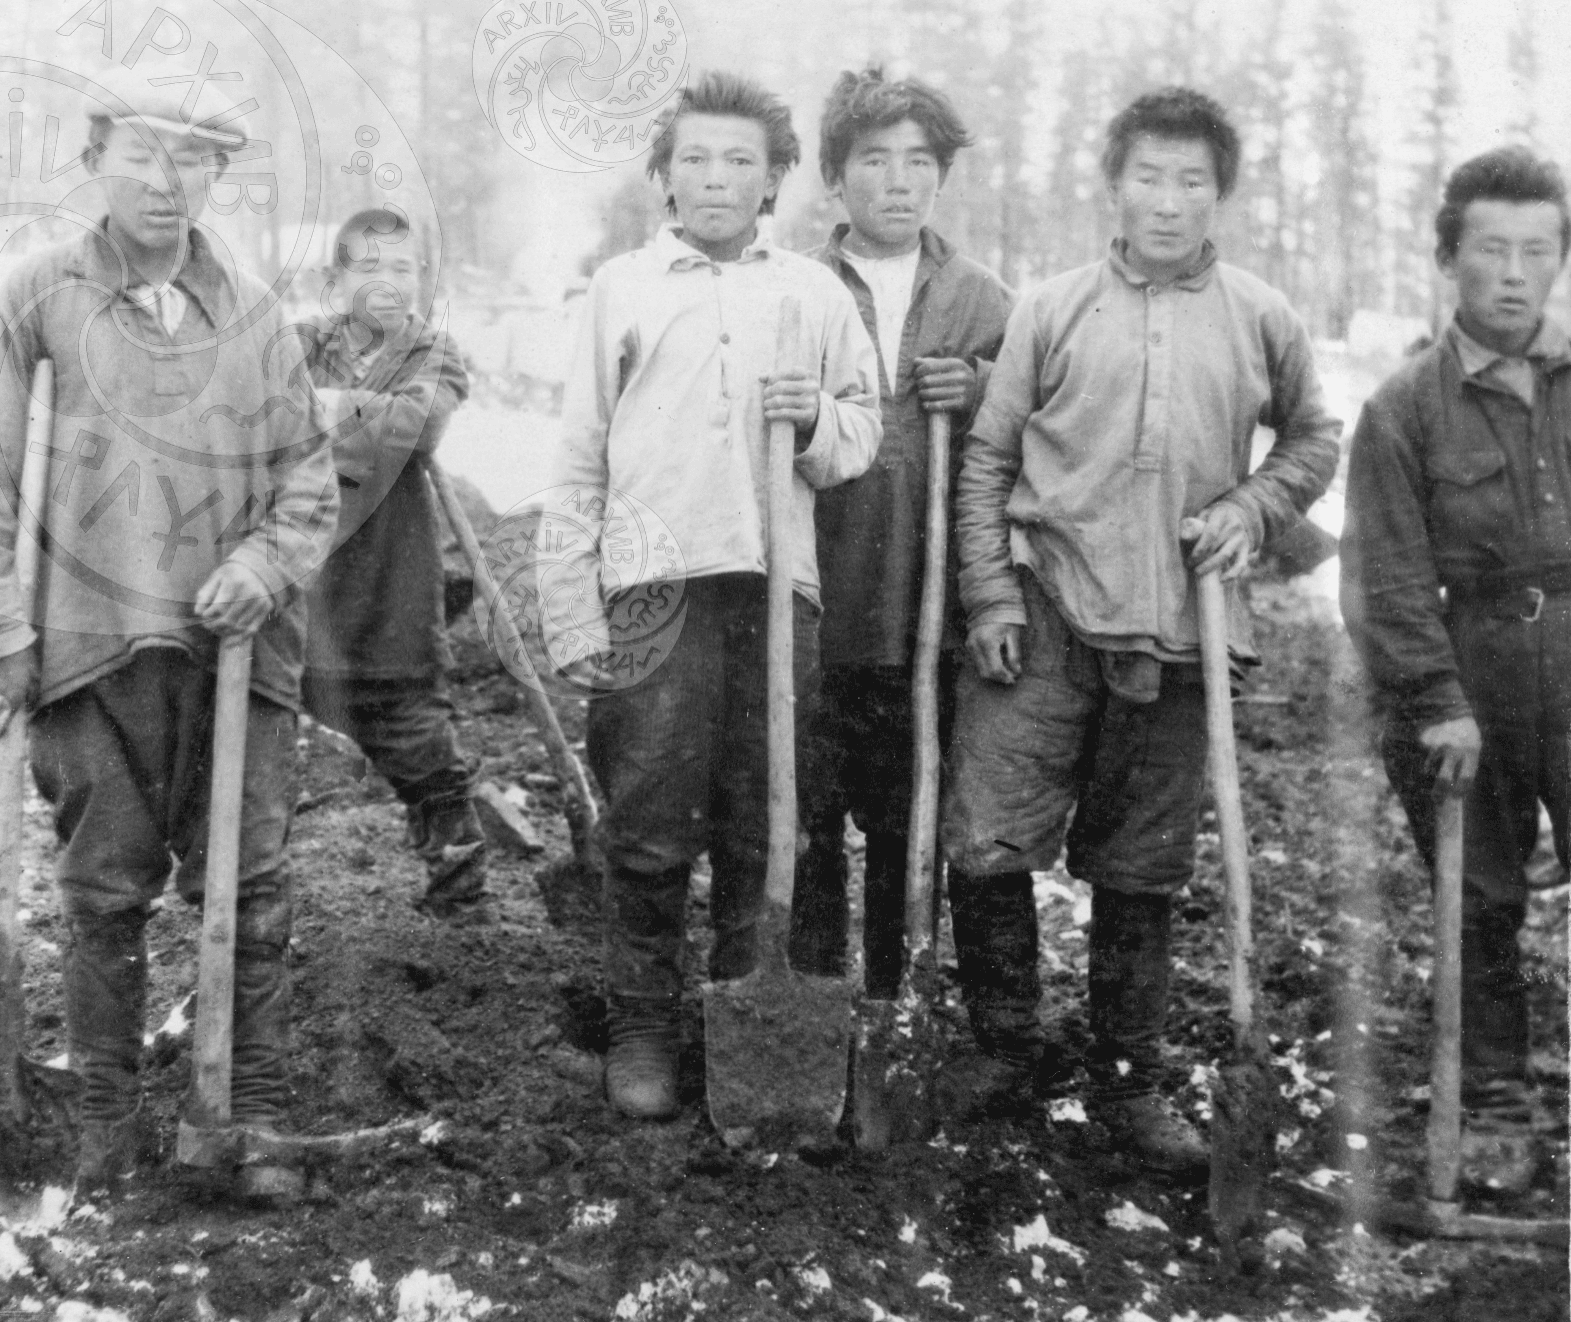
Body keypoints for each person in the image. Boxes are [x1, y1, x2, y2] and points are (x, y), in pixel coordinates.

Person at [946, 88, 1340, 1173]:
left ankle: (1127, 1078)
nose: (1167, 203)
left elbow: (1312, 438)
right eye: (1147, 178)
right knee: (986, 835)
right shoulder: (1053, 307)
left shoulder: (1260, 314)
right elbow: (987, 457)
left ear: (1219, 195)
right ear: (1111, 184)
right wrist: (987, 595)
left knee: (1141, 867)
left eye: (1190, 182)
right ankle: (1002, 1049)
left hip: (1178, 634)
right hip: (1043, 609)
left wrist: (1250, 508)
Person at [0, 97, 336, 1200]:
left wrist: (260, 565)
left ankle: (247, 1107)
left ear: (217, 175)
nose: (165, 181)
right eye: (141, 157)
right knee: (103, 891)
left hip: (235, 653)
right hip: (88, 647)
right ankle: (105, 1124)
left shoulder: (255, 311)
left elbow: (306, 472)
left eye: (192, 161)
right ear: (94, 163)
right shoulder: (39, 295)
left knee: (250, 886)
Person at [545, 71, 882, 1120]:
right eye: (694, 158)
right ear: (662, 175)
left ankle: (746, 1008)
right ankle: (642, 1021)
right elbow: (576, 462)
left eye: (740, 159)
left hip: (776, 588)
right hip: (653, 590)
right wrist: (569, 606)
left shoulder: (814, 296)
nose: (716, 178)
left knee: (762, 814)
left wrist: (818, 414)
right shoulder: (621, 290)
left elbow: (862, 434)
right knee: (647, 817)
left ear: (774, 177)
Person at [1340, 146, 1571, 1194]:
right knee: (1477, 898)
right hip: (1466, 668)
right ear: (1448, 259)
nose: (1514, 273)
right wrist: (1435, 701)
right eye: (1491, 249)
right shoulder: (1401, 409)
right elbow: (1383, 578)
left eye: (1537, 250)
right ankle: (1491, 1103)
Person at [790, 70, 1014, 997]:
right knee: (804, 812)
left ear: (942, 177)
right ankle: (806, 995)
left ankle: (889, 994)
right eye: (874, 160)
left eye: (920, 161)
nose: (898, 181)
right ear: (836, 179)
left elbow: (1037, 426)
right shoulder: (796, 287)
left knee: (902, 816)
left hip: (927, 613)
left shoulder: (982, 298)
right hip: (813, 602)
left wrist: (986, 385)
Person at [300, 208, 488, 918]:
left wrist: (321, 411)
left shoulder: (432, 353)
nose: (388, 282)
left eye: (403, 269)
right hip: (297, 590)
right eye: (369, 266)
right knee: (247, 758)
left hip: (391, 587)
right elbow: (252, 416)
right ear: (335, 278)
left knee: (423, 751)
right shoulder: (293, 347)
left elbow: (418, 426)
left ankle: (460, 900)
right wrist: (360, 416)